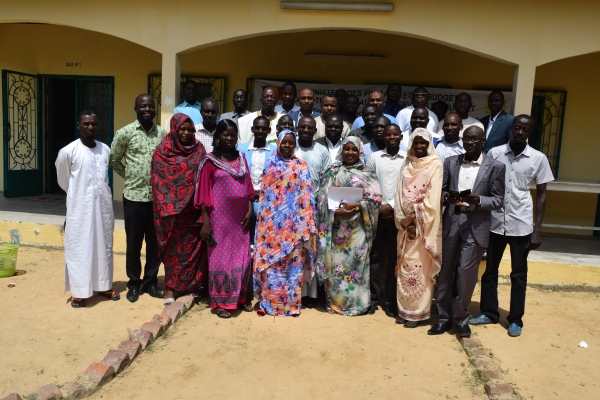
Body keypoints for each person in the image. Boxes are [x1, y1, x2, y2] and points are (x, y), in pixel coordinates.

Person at [471, 115, 554, 337]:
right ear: (511, 129)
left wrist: (537, 230)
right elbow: (484, 185)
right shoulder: (495, 153)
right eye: (516, 128)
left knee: (518, 273)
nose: (519, 132)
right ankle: (489, 312)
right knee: (489, 270)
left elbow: (543, 195)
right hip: (495, 222)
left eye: (524, 129)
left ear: (530, 132)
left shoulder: (538, 158)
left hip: (521, 224)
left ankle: (515, 318)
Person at [429, 126, 505, 338]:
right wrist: (446, 197)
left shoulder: (495, 167)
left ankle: (461, 319)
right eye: (467, 138)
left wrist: (479, 199)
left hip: (476, 222)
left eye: (474, 139)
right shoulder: (451, 162)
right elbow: (441, 190)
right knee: (445, 272)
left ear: (483, 142)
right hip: (452, 219)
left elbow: (499, 200)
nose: (469, 142)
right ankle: (443, 318)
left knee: (466, 273)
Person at [56, 110, 118, 308]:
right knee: (80, 247)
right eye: (86, 123)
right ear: (78, 125)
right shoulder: (68, 151)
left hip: (103, 207)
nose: (90, 127)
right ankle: (80, 292)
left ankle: (104, 285)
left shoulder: (105, 149)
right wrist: (79, 196)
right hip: (79, 209)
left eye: (93, 124)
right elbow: (63, 180)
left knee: (103, 246)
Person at [253, 130, 317, 317]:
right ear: (279, 143)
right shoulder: (270, 165)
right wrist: (265, 224)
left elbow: (307, 195)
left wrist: (306, 223)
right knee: (271, 266)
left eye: (291, 142)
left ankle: (291, 306)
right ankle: (268, 304)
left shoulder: (301, 166)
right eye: (284, 142)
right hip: (272, 227)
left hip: (295, 227)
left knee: (292, 267)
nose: (287, 145)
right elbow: (265, 197)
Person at [316, 137, 382, 316]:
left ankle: (357, 304)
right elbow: (321, 200)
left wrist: (358, 206)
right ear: (341, 151)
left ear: (360, 151)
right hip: (335, 229)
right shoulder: (331, 171)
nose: (350, 152)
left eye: (354, 149)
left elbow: (376, 199)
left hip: (358, 229)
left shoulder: (368, 172)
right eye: (347, 149)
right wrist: (336, 212)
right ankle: (335, 303)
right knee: (337, 264)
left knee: (356, 266)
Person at [195, 119, 254, 318]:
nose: (229, 138)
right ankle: (220, 302)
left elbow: (247, 188)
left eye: (232, 134)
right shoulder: (209, 161)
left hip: (240, 219)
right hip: (218, 219)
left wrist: (249, 210)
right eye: (225, 134)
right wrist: (205, 221)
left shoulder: (242, 158)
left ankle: (240, 298)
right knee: (220, 259)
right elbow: (203, 193)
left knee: (242, 258)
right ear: (217, 136)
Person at [110, 94, 166, 302]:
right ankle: (134, 283)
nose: (147, 109)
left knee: (155, 244)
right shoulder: (125, 133)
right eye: (143, 106)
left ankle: (150, 282)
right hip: (133, 197)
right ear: (136, 109)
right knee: (133, 243)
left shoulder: (162, 133)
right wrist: (131, 175)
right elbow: (114, 160)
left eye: (151, 106)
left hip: (157, 200)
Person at [151, 113, 206, 306]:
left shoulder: (199, 149)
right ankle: (171, 288)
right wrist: (172, 205)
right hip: (170, 213)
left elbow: (203, 178)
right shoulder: (162, 151)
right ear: (174, 128)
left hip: (192, 211)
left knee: (191, 249)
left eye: (190, 129)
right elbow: (159, 181)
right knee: (172, 251)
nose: (186, 132)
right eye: (182, 128)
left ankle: (190, 287)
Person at [392, 128, 443, 328]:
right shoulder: (406, 162)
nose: (420, 146)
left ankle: (417, 313)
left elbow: (433, 196)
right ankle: (404, 310)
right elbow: (398, 193)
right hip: (404, 226)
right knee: (405, 268)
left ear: (429, 144)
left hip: (425, 226)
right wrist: (403, 219)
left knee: (420, 269)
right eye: (416, 143)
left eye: (423, 142)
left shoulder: (436, 164)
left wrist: (413, 217)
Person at [366, 123, 405, 317]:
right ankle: (373, 298)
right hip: (377, 214)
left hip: (397, 216)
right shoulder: (374, 157)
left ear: (401, 137)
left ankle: (390, 300)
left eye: (395, 134)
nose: (391, 138)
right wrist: (380, 205)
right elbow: (368, 182)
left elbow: (408, 187)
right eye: (388, 135)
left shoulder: (407, 159)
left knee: (392, 259)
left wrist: (392, 206)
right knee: (374, 256)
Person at [295, 116, 331, 307]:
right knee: (297, 251)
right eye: (303, 127)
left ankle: (311, 294)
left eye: (310, 127)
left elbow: (326, 180)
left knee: (313, 250)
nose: (306, 130)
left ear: (315, 130)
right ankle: (297, 291)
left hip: (315, 209)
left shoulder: (322, 150)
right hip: (293, 210)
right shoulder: (291, 148)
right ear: (297, 128)